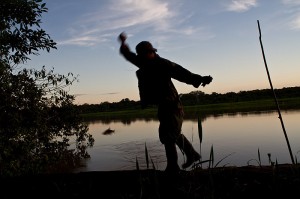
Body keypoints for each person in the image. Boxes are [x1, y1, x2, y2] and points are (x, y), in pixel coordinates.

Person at [118, 32, 213, 174]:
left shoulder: (163, 64)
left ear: (151, 52)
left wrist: (200, 79)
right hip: (164, 106)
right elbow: (128, 55)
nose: (140, 58)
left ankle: (173, 167)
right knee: (169, 134)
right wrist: (123, 43)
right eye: (140, 55)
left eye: (143, 55)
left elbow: (182, 73)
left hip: (173, 106)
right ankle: (192, 155)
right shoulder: (144, 61)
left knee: (169, 137)